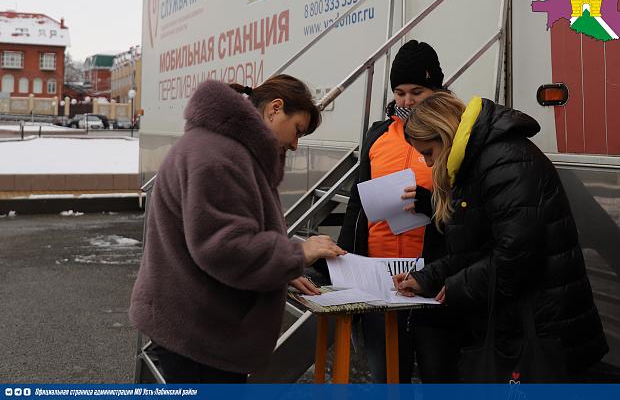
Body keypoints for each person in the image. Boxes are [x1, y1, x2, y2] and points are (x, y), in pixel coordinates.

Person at [129, 75, 345, 383]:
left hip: (196, 326)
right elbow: (224, 247)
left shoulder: (221, 147)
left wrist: (281, 267)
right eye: (297, 130)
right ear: (274, 109)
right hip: (203, 337)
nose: (296, 145)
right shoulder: (219, 156)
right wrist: (298, 251)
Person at [396, 92, 609, 379]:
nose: (430, 164)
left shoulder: (502, 160)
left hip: (542, 329)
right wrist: (427, 277)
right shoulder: (479, 160)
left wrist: (457, 286)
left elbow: (516, 255)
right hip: (524, 324)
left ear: (445, 134)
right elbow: (475, 249)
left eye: (429, 152)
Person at [336, 40, 460, 383]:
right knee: (388, 379)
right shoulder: (378, 136)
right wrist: (345, 262)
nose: (406, 101)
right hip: (381, 280)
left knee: (442, 378)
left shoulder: (454, 135)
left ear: (436, 89)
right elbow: (356, 206)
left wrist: (429, 203)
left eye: (417, 91)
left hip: (433, 277)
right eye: (400, 92)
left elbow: (467, 211)